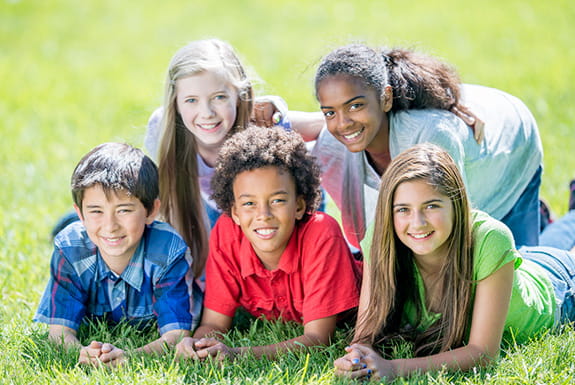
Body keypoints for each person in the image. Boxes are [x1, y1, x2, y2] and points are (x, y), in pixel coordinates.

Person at [333, 144, 575, 382]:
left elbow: (483, 354)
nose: (417, 223)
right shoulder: (381, 239)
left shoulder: (491, 238)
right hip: (511, 268)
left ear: (456, 205)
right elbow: (364, 335)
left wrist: (394, 368)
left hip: (559, 286)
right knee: (550, 242)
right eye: (403, 209)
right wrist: (357, 358)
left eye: (431, 206)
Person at [309, 44, 542, 250]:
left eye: (355, 106)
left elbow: (454, 237)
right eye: (330, 112)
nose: (342, 123)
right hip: (460, 146)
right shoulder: (333, 143)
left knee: (520, 271)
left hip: (510, 149)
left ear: (386, 98)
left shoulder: (431, 139)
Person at [175, 126, 362, 360]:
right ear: (234, 212)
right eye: (249, 204)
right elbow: (214, 322)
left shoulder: (321, 232)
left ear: (299, 206)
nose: (263, 214)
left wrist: (236, 354)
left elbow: (318, 339)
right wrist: (201, 345)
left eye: (277, 200)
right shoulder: (226, 233)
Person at [34, 143, 200, 367]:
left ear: (151, 211)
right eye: (96, 211)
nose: (110, 226)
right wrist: (81, 352)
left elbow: (177, 334)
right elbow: (59, 333)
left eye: (124, 210)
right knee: (70, 231)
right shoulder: (70, 248)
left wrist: (130, 357)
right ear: (80, 214)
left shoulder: (167, 251)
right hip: (80, 240)